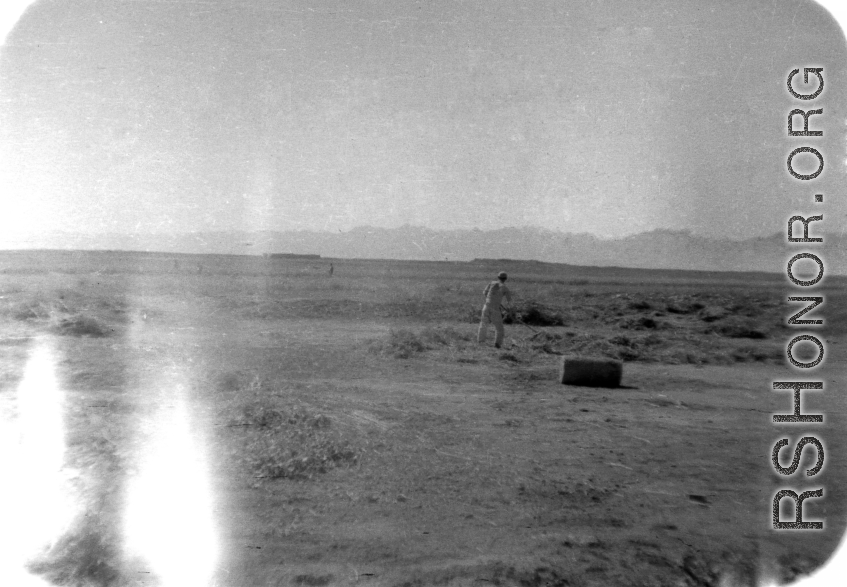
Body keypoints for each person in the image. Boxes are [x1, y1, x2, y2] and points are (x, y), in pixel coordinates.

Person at [478, 271, 512, 348]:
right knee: (499, 328)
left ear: (498, 277)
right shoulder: (505, 288)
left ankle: (480, 341)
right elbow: (509, 301)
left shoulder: (491, 283)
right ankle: (498, 344)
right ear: (505, 279)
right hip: (495, 309)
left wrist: (492, 299)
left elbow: (485, 293)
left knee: (483, 324)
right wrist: (511, 311)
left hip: (486, 306)